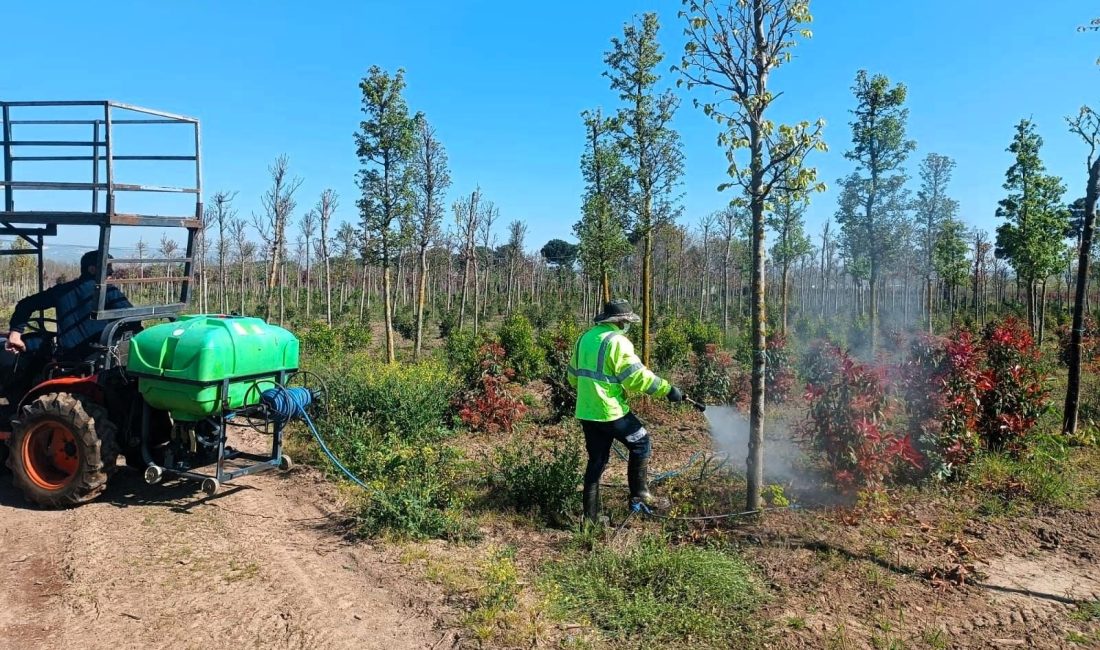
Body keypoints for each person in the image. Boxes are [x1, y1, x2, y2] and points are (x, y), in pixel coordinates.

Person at [568, 298, 683, 523]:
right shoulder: (617, 342)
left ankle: (590, 519)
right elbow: (635, 378)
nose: (628, 325)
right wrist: (668, 390)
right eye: (627, 322)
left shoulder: (585, 338)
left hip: (587, 412)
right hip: (611, 412)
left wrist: (590, 393)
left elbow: (572, 376)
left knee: (596, 462)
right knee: (641, 442)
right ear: (620, 322)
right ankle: (640, 495)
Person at [4, 250, 132, 363]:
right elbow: (132, 318)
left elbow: (25, 305)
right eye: (107, 267)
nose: (111, 271)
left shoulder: (61, 291)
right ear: (92, 269)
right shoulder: (109, 292)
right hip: (99, 358)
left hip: (68, 358)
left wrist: (15, 333)